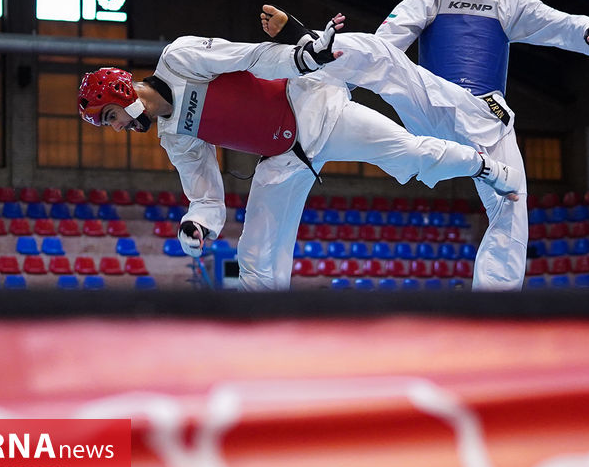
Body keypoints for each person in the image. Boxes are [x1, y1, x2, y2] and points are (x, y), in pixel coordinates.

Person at [264, 0, 589, 290]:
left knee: (512, 205)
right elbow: (382, 47)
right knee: (384, 56)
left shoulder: (508, 1)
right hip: (432, 100)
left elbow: (559, 23)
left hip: (485, 117)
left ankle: (493, 309)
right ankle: (310, 44)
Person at [77, 20, 520, 291]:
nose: (115, 127)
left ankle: (484, 165)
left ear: (123, 92)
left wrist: (303, 58)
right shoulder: (174, 136)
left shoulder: (179, 59)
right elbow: (205, 194)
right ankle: (268, 347)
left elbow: (253, 56)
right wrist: (197, 224)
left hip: (317, 111)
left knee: (411, 155)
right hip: (282, 161)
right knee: (256, 255)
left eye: (110, 116)